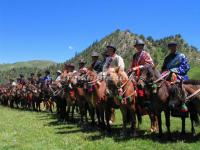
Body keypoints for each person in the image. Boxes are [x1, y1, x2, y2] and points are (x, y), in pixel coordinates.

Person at [162, 41, 190, 112]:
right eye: (171, 46)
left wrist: (174, 71)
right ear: (169, 48)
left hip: (180, 75)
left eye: (174, 46)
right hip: (167, 76)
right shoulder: (167, 58)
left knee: (179, 86)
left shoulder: (181, 56)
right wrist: (166, 72)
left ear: (176, 47)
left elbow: (186, 66)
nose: (172, 48)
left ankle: (183, 102)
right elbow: (163, 68)